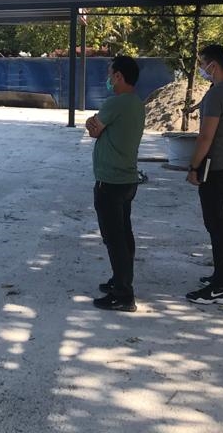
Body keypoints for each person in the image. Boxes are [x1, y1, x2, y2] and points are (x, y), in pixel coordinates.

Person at [185, 44, 223, 306]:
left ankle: (220, 289)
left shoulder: (216, 95)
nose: (201, 68)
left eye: (202, 63)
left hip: (215, 168)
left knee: (217, 226)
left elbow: (205, 136)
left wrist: (193, 166)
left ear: (213, 65)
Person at [84, 55, 145, 312]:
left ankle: (123, 294)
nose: (108, 79)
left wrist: (92, 123)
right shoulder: (136, 103)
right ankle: (120, 279)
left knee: (114, 239)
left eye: (110, 75)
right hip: (127, 179)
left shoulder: (115, 103)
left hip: (110, 180)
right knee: (124, 235)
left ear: (119, 76)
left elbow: (94, 129)